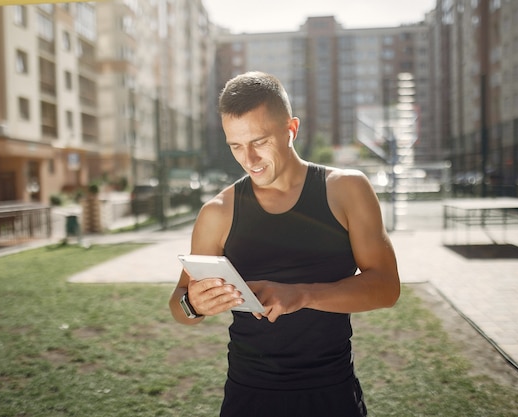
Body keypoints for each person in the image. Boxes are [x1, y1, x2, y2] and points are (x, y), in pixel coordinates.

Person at [169, 71, 400, 417]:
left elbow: (387, 287)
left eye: (259, 142)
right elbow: (180, 307)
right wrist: (195, 304)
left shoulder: (347, 190)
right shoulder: (217, 212)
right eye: (235, 146)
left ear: (291, 130)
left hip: (331, 393)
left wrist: (303, 294)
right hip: (249, 396)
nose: (249, 159)